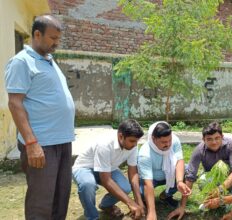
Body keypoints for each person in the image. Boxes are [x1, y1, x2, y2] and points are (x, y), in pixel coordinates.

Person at [5, 15, 75, 220]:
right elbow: (15, 103)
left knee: (60, 198)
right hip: (41, 144)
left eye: (58, 39)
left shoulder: (49, 61)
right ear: (37, 34)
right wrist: (31, 143)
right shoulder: (22, 62)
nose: (56, 43)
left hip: (62, 142)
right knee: (41, 203)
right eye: (53, 38)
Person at [168, 121, 232, 220]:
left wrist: (221, 188)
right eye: (209, 139)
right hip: (214, 180)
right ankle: (220, 205)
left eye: (217, 138)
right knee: (203, 180)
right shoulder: (199, 150)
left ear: (222, 136)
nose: (214, 142)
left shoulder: (230, 144)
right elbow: (190, 177)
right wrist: (182, 206)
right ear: (203, 139)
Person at [72, 119, 145, 220]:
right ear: (120, 136)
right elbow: (106, 181)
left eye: (137, 141)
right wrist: (130, 203)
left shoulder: (132, 146)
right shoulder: (105, 144)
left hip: (108, 168)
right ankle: (92, 217)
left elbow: (133, 173)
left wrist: (139, 202)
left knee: (125, 188)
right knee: (87, 184)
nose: (135, 145)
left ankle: (106, 205)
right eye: (132, 141)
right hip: (84, 167)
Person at [138, 121, 191, 220]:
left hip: (169, 175)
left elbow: (179, 160)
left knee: (187, 170)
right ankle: (145, 200)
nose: (168, 144)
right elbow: (148, 183)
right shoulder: (145, 154)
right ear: (153, 139)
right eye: (163, 142)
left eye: (169, 140)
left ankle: (165, 196)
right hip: (151, 179)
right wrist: (152, 212)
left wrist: (179, 181)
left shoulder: (174, 140)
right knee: (141, 192)